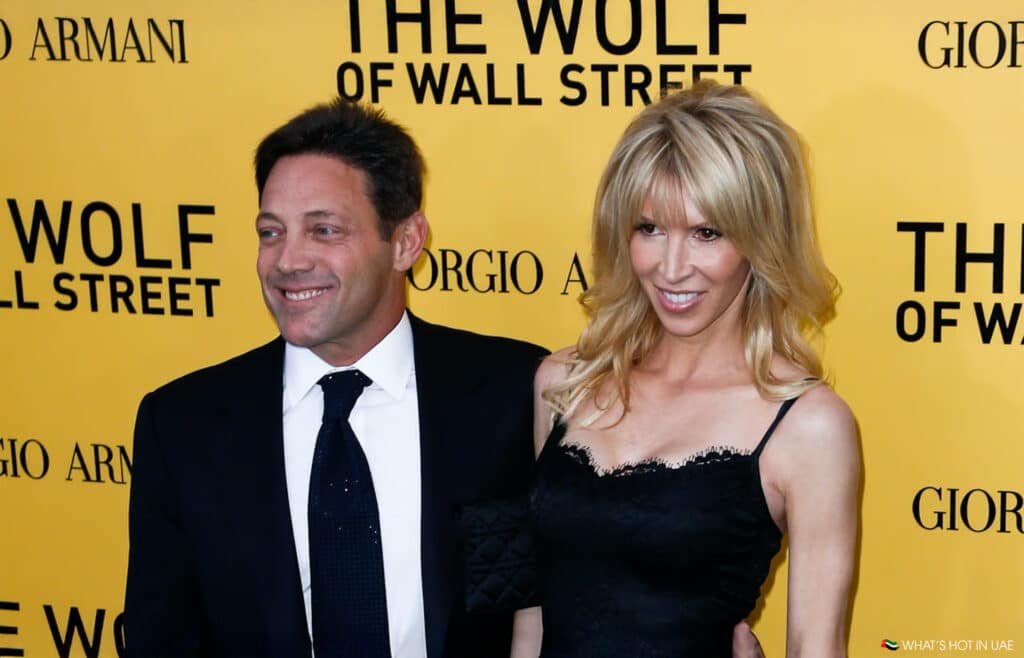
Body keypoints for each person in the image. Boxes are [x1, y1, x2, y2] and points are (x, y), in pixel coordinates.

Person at [124, 99, 547, 657]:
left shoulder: (514, 394)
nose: (287, 261)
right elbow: (161, 639)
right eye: (270, 233)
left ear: (406, 241)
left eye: (323, 230)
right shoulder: (183, 426)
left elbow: (554, 609)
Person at [514, 81, 859, 656]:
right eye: (649, 228)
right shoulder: (564, 383)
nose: (671, 268)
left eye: (706, 233)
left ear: (759, 240)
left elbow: (816, 644)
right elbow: (535, 609)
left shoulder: (808, 426)